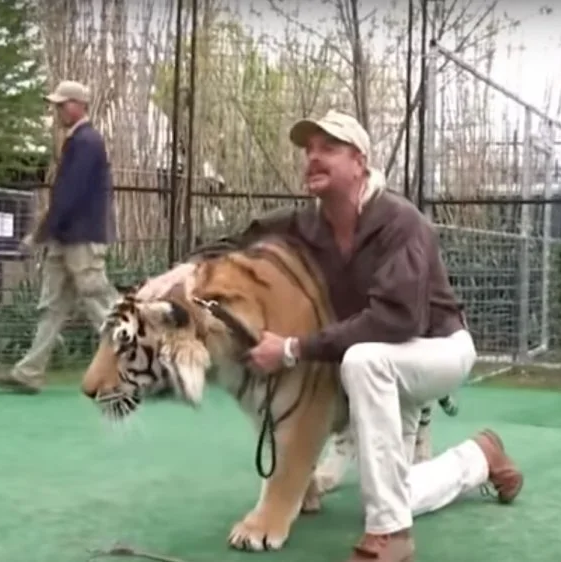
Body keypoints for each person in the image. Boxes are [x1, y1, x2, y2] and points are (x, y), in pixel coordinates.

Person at [137, 109, 524, 561]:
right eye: (309, 150)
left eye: (328, 149)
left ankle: (391, 536)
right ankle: (480, 457)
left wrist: (291, 349)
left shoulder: (402, 221)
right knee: (389, 488)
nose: (313, 158)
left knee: (361, 363)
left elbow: (396, 320)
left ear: (360, 162)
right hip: (378, 361)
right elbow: (243, 238)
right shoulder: (307, 224)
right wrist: (191, 267)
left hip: (437, 349)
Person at [0, 80, 119, 395]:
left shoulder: (88, 142)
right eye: (57, 104)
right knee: (51, 306)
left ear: (79, 105)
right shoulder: (76, 140)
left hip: (82, 238)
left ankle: (143, 365)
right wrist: (48, 233)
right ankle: (29, 372)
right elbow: (65, 196)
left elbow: (69, 196)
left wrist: (39, 234)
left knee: (100, 305)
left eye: (62, 104)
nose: (57, 110)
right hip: (66, 237)